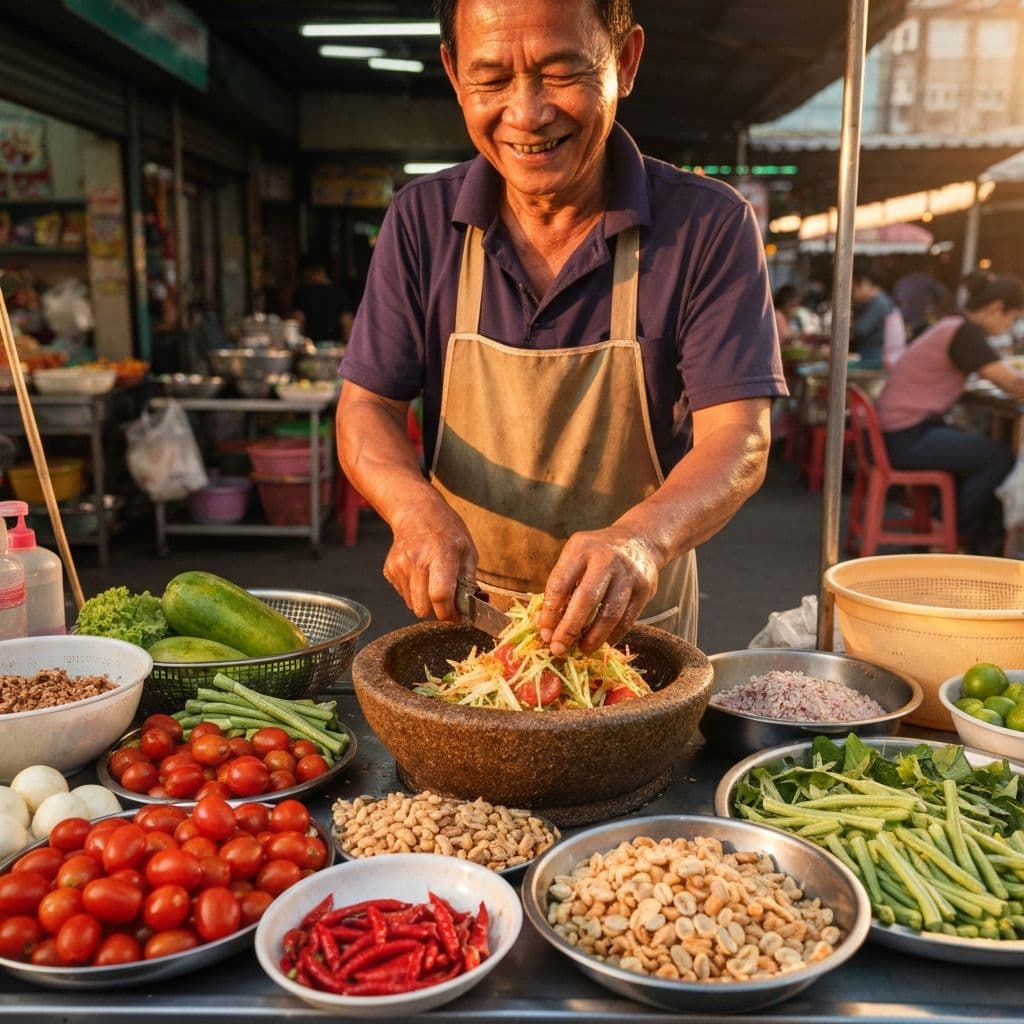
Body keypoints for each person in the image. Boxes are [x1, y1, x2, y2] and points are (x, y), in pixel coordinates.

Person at [336, 0, 786, 654]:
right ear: (453, 72)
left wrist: (641, 541)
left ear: (625, 62)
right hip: (466, 622)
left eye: (559, 72)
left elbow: (740, 437)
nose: (527, 114)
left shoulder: (707, 226)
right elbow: (365, 408)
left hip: (633, 630)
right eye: (491, 80)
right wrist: (413, 514)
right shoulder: (420, 221)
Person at [875, 271, 1024, 555]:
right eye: (1012, 318)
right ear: (996, 309)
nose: (1009, 326)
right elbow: (1013, 383)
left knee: (979, 449)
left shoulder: (952, 325)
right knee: (997, 456)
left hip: (897, 431)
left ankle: (944, 528)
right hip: (906, 437)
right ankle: (956, 537)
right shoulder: (965, 333)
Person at [290, 258, 356, 344]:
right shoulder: (340, 293)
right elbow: (347, 324)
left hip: (311, 348)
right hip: (336, 347)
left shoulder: (303, 294)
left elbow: (298, 322)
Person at [850, 260, 901, 369]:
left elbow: (859, 330)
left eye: (854, 288)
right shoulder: (876, 302)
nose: (853, 294)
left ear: (864, 283)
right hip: (870, 357)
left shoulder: (878, 303)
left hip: (874, 360)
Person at [892, 266, 950, 340]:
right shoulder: (927, 280)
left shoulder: (901, 281)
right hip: (920, 322)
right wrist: (939, 309)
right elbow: (944, 294)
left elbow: (893, 302)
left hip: (904, 322)